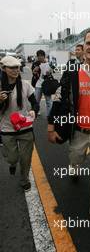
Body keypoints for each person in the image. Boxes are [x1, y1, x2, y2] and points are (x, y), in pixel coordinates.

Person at [48, 28, 90, 221]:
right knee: (75, 162)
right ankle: (74, 168)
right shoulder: (72, 72)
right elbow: (59, 99)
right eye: (89, 43)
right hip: (77, 133)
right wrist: (51, 127)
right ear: (83, 46)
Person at [0, 56, 39, 191]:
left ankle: (24, 180)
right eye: (12, 67)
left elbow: (35, 102)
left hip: (25, 126)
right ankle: (12, 163)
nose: (16, 70)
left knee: (26, 158)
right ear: (3, 68)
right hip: (7, 128)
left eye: (17, 67)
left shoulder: (25, 84)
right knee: (12, 158)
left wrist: (34, 110)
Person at [32, 49, 53, 116]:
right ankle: (36, 111)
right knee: (36, 100)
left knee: (48, 101)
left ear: (44, 56)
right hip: (38, 84)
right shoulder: (35, 64)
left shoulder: (49, 64)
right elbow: (33, 73)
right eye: (39, 56)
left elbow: (51, 73)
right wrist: (34, 72)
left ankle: (49, 114)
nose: (40, 57)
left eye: (41, 56)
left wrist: (49, 73)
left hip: (46, 85)